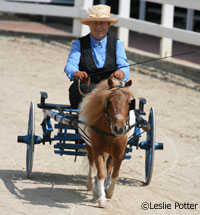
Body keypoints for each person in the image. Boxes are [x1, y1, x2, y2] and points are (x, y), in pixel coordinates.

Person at [64, 4, 130, 109]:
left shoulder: (117, 44)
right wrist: (76, 73)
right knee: (89, 91)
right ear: (89, 25)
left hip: (111, 86)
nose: (98, 27)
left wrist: (121, 72)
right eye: (95, 23)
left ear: (108, 25)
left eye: (102, 23)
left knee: (123, 97)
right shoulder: (78, 44)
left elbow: (124, 66)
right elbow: (70, 66)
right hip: (84, 87)